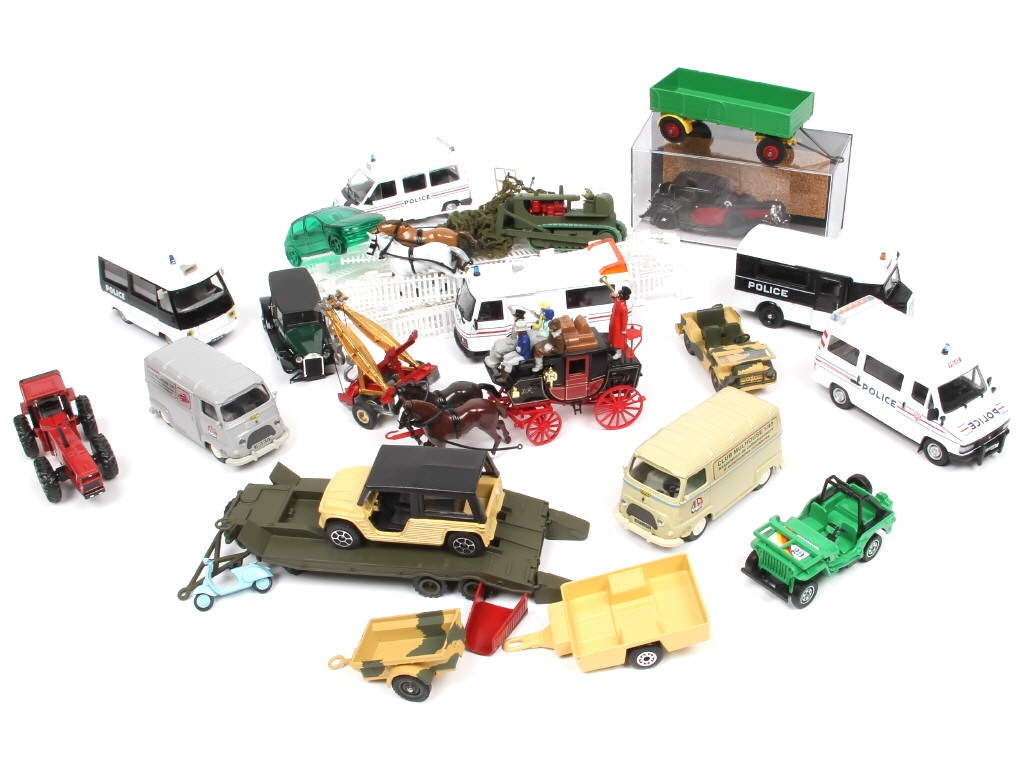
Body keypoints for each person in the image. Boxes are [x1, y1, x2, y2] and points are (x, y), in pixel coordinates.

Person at [608, 285, 631, 360]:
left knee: (618, 339)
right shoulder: (618, 301)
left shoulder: (623, 307)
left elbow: (625, 319)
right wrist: (613, 294)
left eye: (619, 295)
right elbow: (613, 297)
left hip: (619, 325)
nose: (617, 296)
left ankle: (619, 353)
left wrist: (623, 329)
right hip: (614, 322)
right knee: (613, 336)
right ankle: (614, 348)